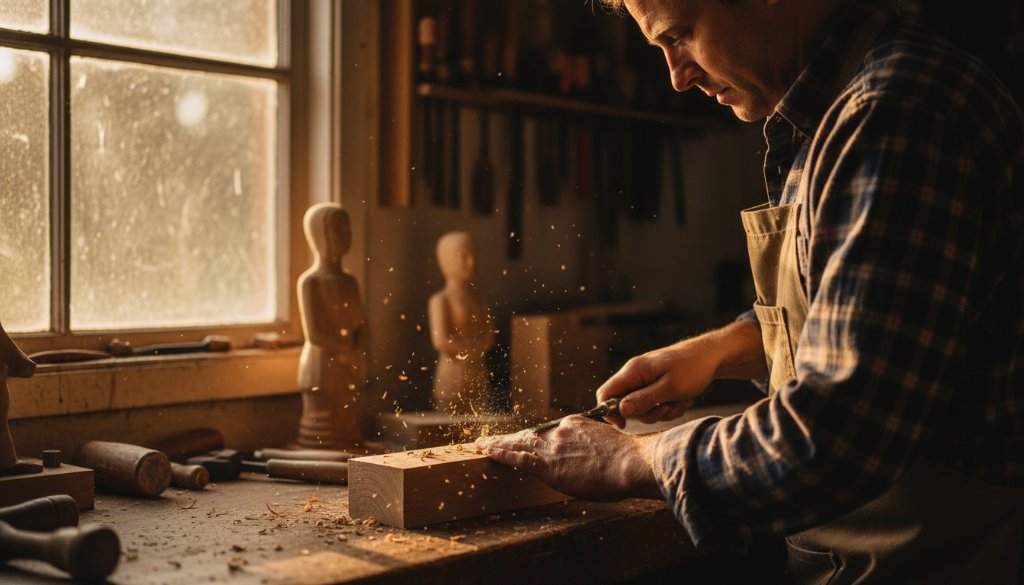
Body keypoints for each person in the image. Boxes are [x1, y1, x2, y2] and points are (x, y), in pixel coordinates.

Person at [477, 0, 1024, 582]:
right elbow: (878, 319)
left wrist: (638, 459)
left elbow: (839, 434)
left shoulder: (892, 113)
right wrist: (721, 350)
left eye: (682, 35)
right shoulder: (833, 113)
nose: (677, 76)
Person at [295, 203, 365, 450]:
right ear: (320, 235)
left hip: (345, 364)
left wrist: (357, 350)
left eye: (349, 230)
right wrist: (344, 348)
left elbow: (358, 325)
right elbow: (314, 334)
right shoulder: (310, 282)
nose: (348, 236)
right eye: (340, 230)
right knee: (322, 427)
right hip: (321, 365)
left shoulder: (350, 282)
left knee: (345, 421)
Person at [429, 231, 495, 414]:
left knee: (478, 426)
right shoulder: (441, 300)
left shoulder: (480, 301)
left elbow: (489, 336)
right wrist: (469, 349)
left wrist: (478, 348)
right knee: (448, 429)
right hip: (451, 376)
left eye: (473, 256)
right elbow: (441, 341)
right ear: (445, 260)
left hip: (478, 373)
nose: (471, 262)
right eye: (463, 256)